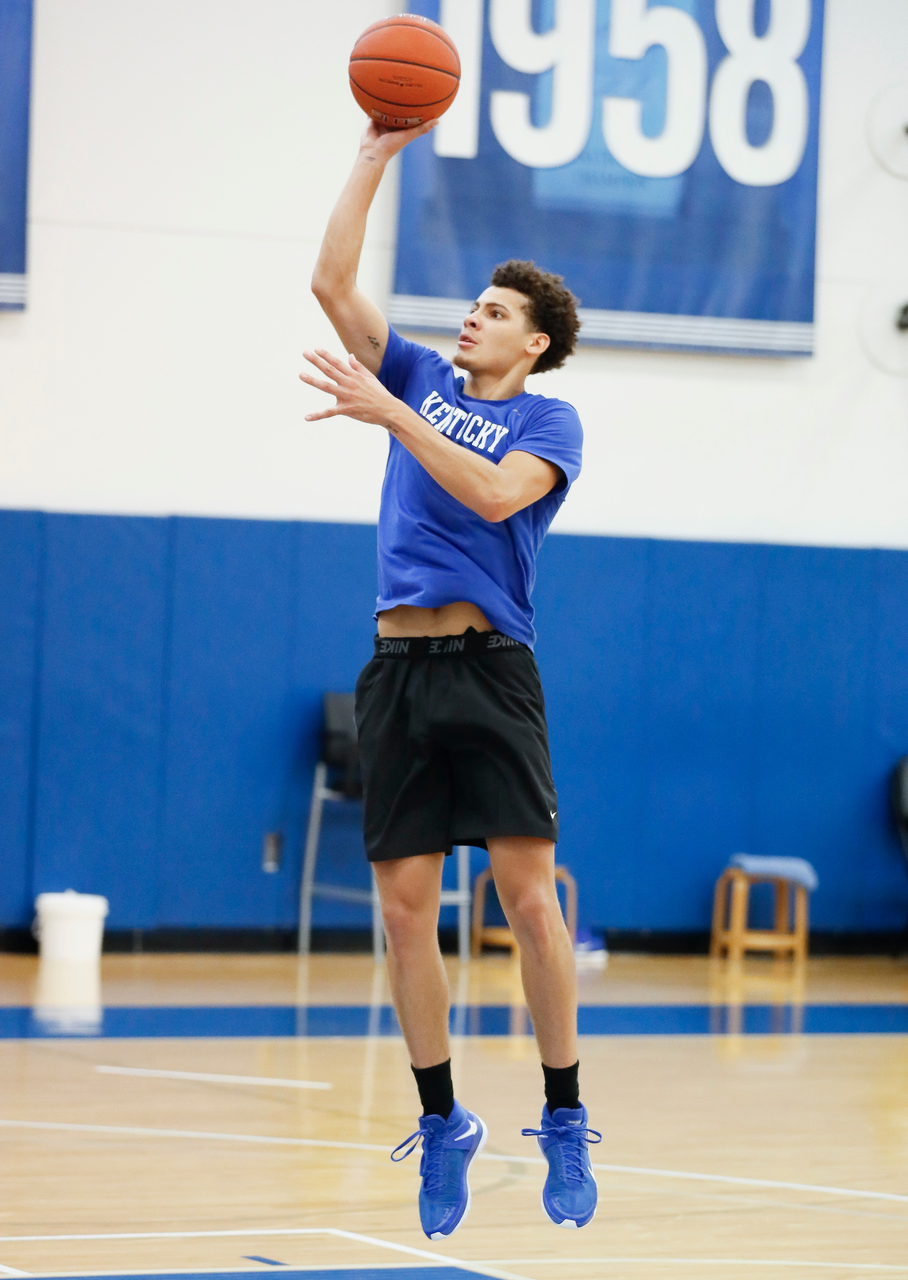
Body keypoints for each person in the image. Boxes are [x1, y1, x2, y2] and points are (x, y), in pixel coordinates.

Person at [300, 118, 601, 1240]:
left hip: (491, 669)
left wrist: (390, 415)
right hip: (397, 670)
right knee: (400, 908)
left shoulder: (548, 418)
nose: (471, 314)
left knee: (526, 898)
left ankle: (562, 1113)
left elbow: (488, 494)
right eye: (473, 301)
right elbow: (329, 279)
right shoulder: (417, 370)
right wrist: (375, 151)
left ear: (529, 346)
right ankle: (442, 1122)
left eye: (496, 311)